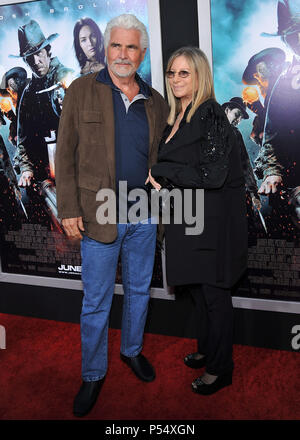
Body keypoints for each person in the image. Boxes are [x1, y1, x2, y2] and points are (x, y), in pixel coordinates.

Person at [55, 14, 168, 417]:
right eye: (116, 46)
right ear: (107, 49)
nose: (123, 54)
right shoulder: (82, 91)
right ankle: (92, 373)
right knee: (97, 301)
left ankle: (132, 351)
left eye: (131, 47)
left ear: (142, 52)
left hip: (143, 216)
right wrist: (67, 208)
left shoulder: (154, 100)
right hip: (98, 215)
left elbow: (159, 157)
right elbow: (63, 153)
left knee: (140, 291)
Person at [148, 47, 248, 395]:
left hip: (213, 223)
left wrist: (162, 170)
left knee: (215, 295)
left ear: (199, 75)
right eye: (172, 73)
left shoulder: (211, 114)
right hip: (189, 219)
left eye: (184, 73)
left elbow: (214, 174)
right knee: (200, 293)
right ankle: (207, 349)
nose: (175, 79)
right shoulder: (181, 115)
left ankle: (221, 370)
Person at [9, 20, 73, 225]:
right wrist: (26, 168)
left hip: (76, 175)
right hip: (46, 178)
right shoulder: (28, 94)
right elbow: (23, 139)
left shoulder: (69, 78)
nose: (36, 61)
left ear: (47, 50)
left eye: (39, 54)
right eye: (30, 58)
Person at [254, 0, 300, 233]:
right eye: (292, 35)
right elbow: (271, 139)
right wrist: (272, 171)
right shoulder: (284, 83)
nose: (298, 41)